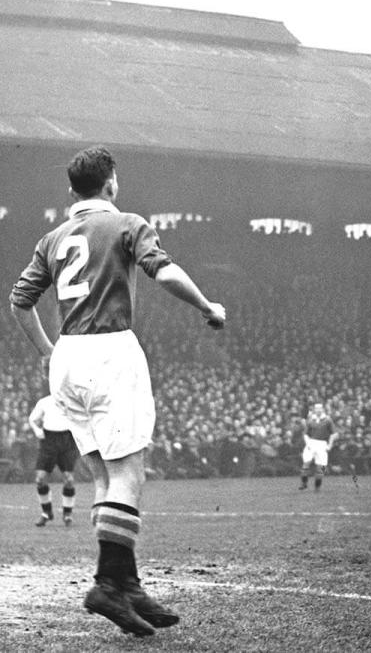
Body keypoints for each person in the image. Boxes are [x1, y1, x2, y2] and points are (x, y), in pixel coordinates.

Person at [9, 145, 226, 637]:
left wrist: (47, 350)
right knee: (129, 474)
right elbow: (162, 269)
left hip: (66, 356)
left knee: (105, 478)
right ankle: (109, 583)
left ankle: (125, 584)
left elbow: (19, 303)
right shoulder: (127, 223)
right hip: (110, 350)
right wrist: (207, 306)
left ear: (71, 191)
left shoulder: (52, 237)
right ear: (111, 184)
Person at [28, 393, 80, 527]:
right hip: (49, 440)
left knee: (69, 479)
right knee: (40, 479)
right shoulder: (45, 402)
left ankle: (67, 514)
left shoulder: (71, 400)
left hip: (67, 440)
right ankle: (46, 513)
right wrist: (36, 430)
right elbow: (32, 419)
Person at [299, 402, 337, 491]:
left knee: (322, 466)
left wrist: (330, 444)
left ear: (323, 409)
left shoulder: (328, 420)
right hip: (311, 442)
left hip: (322, 444)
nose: (318, 410)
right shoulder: (310, 420)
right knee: (306, 462)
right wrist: (308, 443)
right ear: (314, 410)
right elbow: (305, 434)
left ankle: (317, 485)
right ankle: (304, 484)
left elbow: (334, 434)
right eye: (316, 408)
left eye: (320, 408)